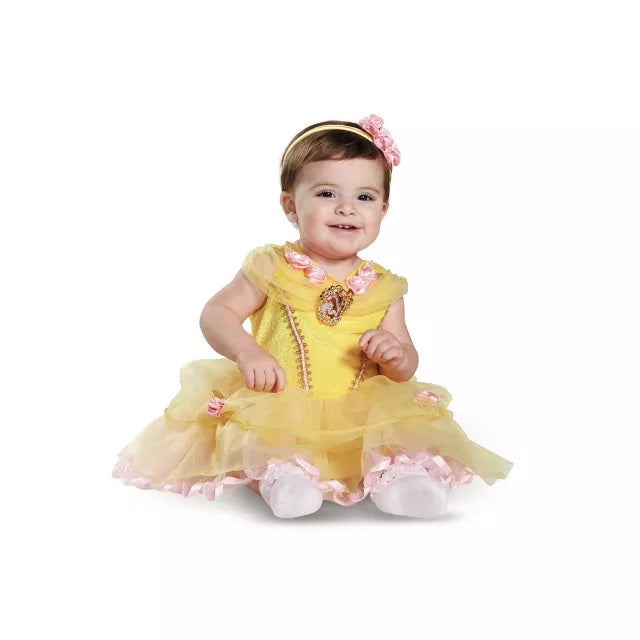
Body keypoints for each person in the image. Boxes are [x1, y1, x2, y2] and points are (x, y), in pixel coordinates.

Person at [112, 114, 513, 519]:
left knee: (393, 442)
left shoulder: (384, 287)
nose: (346, 208)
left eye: (365, 197)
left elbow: (406, 363)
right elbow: (217, 313)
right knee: (273, 443)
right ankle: (285, 480)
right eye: (326, 193)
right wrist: (247, 351)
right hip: (282, 405)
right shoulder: (272, 266)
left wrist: (395, 356)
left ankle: (400, 481)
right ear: (291, 205)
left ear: (384, 210)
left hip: (363, 412)